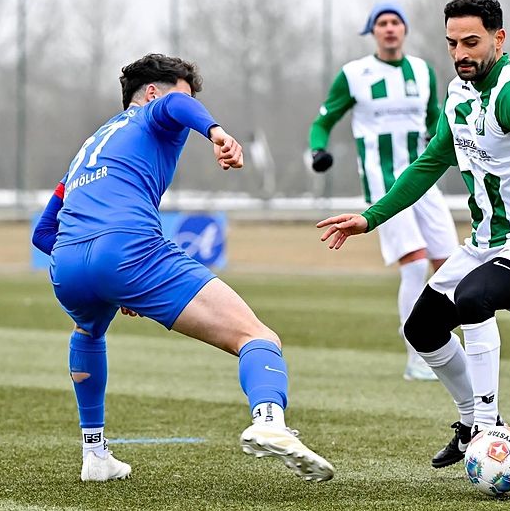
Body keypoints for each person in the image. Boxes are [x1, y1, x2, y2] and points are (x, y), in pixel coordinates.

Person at [318, 0, 510, 469]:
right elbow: (429, 164)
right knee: (421, 328)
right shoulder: (458, 94)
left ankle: (488, 425)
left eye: (472, 42)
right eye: (452, 43)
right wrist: (369, 218)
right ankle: (467, 424)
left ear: (500, 39)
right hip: (485, 244)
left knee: (473, 298)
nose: (460, 54)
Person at [31, 54, 334, 482]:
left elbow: (43, 232)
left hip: (68, 266)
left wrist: (107, 282)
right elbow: (176, 108)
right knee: (257, 335)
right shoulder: (154, 111)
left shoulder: (89, 148)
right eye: (184, 92)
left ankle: (95, 454)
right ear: (152, 92)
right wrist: (216, 132)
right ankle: (270, 421)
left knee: (88, 332)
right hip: (128, 249)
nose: (185, 106)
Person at [308, 1, 458, 381]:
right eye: (382, 23)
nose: (390, 28)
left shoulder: (423, 71)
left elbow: (436, 124)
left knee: (451, 264)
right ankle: (417, 356)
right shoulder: (354, 74)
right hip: (382, 185)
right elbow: (323, 121)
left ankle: (451, 348)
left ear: (404, 30)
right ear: (372, 31)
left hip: (423, 180)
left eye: (396, 22)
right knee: (414, 263)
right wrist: (318, 150)